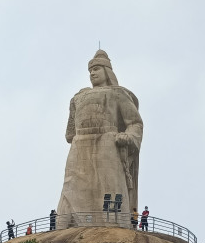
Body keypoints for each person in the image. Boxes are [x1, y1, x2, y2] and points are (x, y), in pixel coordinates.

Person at [56, 50, 142, 227]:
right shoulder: (78, 97)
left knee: (109, 187)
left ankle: (114, 223)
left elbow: (135, 123)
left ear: (107, 71)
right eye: (90, 71)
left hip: (107, 143)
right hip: (79, 145)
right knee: (71, 187)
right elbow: (69, 134)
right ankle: (66, 224)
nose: (92, 73)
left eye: (96, 69)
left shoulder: (117, 93)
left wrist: (128, 136)